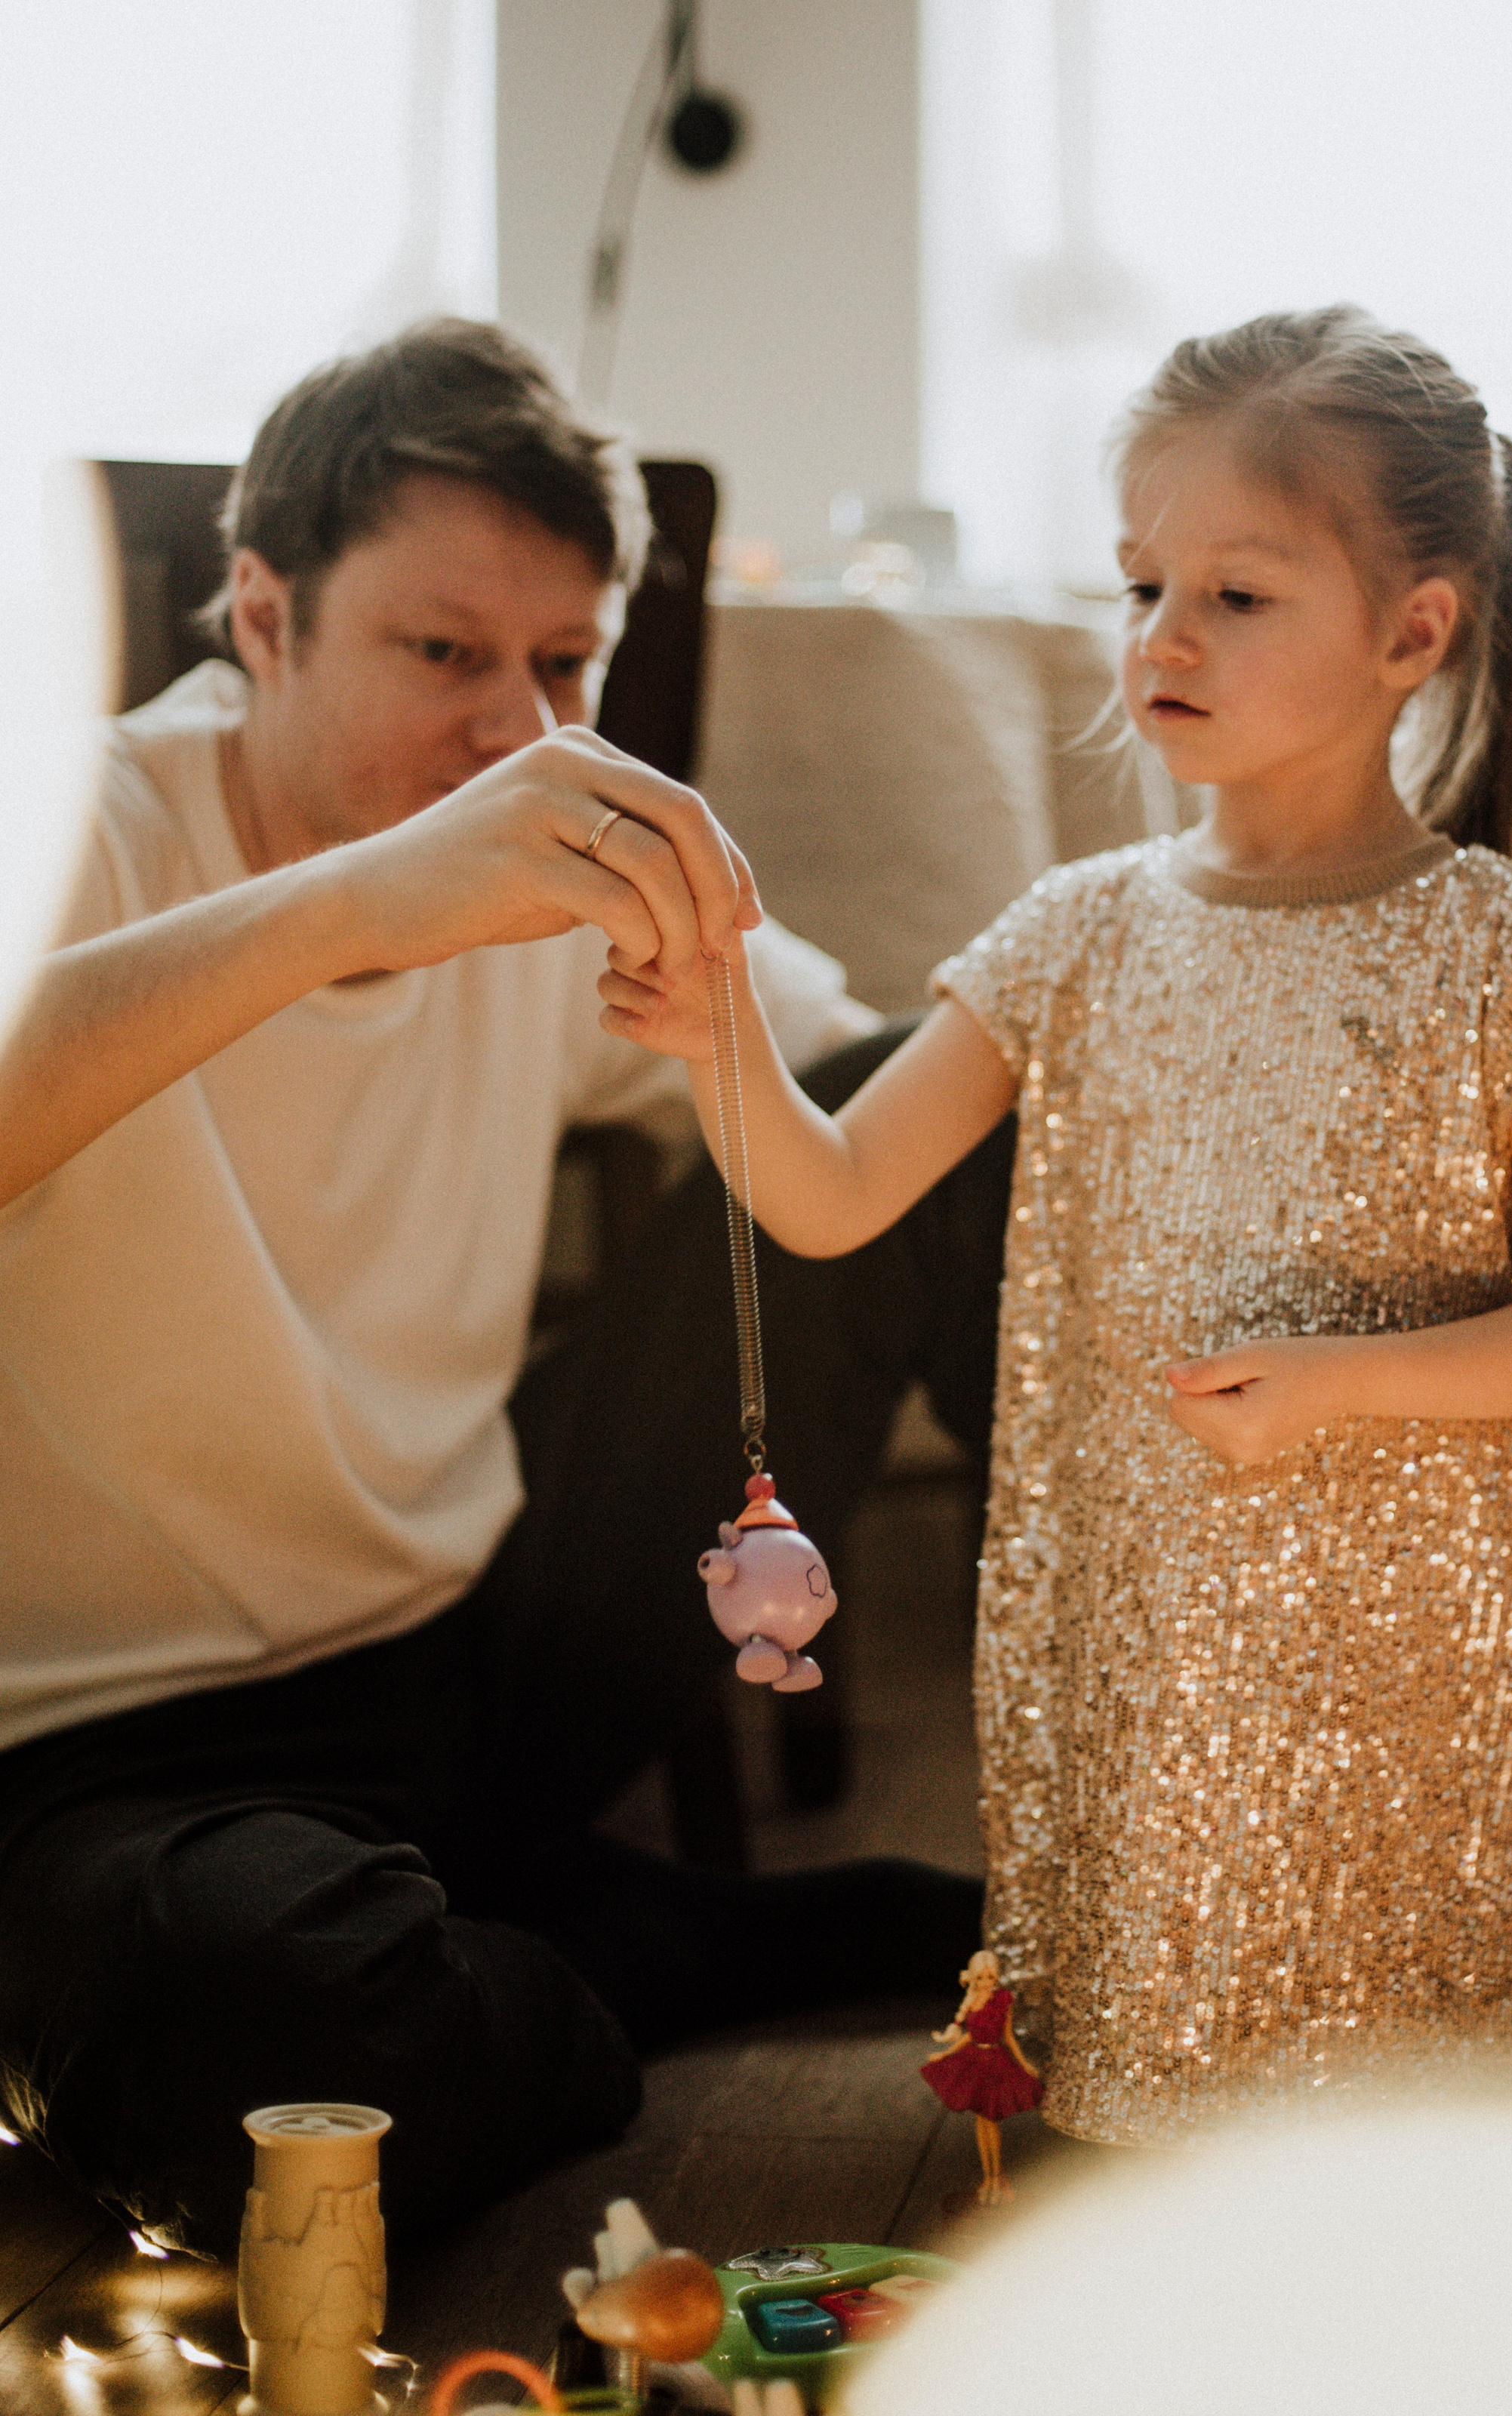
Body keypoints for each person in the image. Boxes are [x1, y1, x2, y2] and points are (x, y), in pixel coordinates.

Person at [601, 303, 1512, 2140]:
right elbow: (836, 1193)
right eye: (1135, 585)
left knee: (1378, 2125)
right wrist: (716, 1039)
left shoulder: (1492, 946)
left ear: (1409, 633)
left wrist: (1344, 1384)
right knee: (1149, 2115)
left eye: (1232, 596)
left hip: (1385, 1665)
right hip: (1127, 1632)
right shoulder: (1075, 931)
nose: (1158, 639)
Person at [0, 320, 999, 2251]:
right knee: (263, 2040)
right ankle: (627, 1947)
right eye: (444, 653)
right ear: (264, 618)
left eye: (565, 664)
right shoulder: (76, 827)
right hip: (100, 1763)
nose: (515, 732)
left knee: (942, 1108)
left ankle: (1181, 1806)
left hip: (482, 1648)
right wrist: (356, 905)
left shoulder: (558, 855)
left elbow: (863, 1094)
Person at [921, 1949, 1042, 2204]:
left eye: (990, 1977)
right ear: (974, 1978)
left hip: (995, 2062)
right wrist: (945, 2054)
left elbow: (1008, 2037)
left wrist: (1024, 2064)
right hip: (975, 2060)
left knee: (991, 2120)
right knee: (981, 2121)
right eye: (981, 1978)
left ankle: (998, 2176)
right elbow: (968, 2036)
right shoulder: (973, 2001)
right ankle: (987, 2177)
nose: (987, 1982)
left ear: (996, 1977)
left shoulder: (1003, 2000)